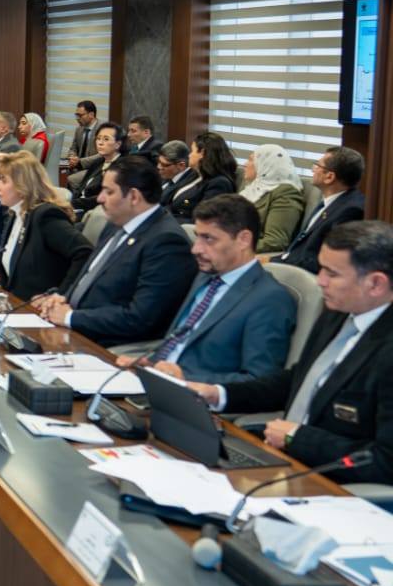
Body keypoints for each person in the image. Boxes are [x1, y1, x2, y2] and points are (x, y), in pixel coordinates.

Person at [185, 221, 393, 481]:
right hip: (282, 457)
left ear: (375, 284)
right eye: (321, 269)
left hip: (330, 481)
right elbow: (298, 381)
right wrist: (220, 393)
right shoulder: (340, 312)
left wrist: (298, 437)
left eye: (332, 274)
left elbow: (385, 461)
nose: (320, 281)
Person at [120, 194, 295, 384]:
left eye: (208, 239)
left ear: (243, 239)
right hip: (153, 379)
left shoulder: (270, 300)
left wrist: (184, 378)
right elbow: (180, 342)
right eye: (197, 237)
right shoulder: (205, 276)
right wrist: (150, 363)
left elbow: (259, 381)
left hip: (192, 395)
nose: (196, 249)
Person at [37, 156, 198, 346]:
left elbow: (140, 318)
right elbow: (89, 276)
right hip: (74, 329)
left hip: (108, 345)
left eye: (109, 191)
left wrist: (70, 317)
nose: (100, 198)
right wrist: (61, 298)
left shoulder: (167, 242)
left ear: (134, 197)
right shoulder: (117, 223)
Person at [0, 151, 93, 300]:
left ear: (22, 184)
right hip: (14, 302)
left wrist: (60, 295)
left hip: (36, 309)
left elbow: (85, 252)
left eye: (3, 181)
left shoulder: (46, 216)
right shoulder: (16, 213)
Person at [278, 146, 366, 273]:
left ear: (329, 177)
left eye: (317, 166)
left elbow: (321, 261)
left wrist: (274, 262)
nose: (313, 170)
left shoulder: (350, 211)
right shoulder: (329, 202)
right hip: (291, 265)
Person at [240, 145, 304, 254]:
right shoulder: (252, 187)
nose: (245, 164)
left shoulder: (286, 193)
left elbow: (275, 241)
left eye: (251, 160)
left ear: (266, 164)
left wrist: (234, 247)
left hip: (245, 252)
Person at [168, 132, 238, 223]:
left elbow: (204, 219)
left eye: (192, 151)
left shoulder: (219, 183)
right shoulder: (195, 173)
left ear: (202, 153)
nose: (189, 155)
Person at [69, 121, 122, 214]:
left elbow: (101, 198)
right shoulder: (98, 162)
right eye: (98, 138)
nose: (100, 143)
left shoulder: (121, 167)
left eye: (106, 139)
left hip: (95, 212)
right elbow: (81, 188)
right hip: (78, 207)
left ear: (118, 144)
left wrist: (72, 204)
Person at [64, 100, 99, 171]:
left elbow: (101, 155)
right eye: (76, 115)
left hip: (93, 168)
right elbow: (73, 148)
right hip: (77, 167)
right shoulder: (79, 129)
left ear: (91, 115)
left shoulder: (102, 130)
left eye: (80, 115)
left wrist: (80, 161)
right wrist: (72, 157)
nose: (77, 118)